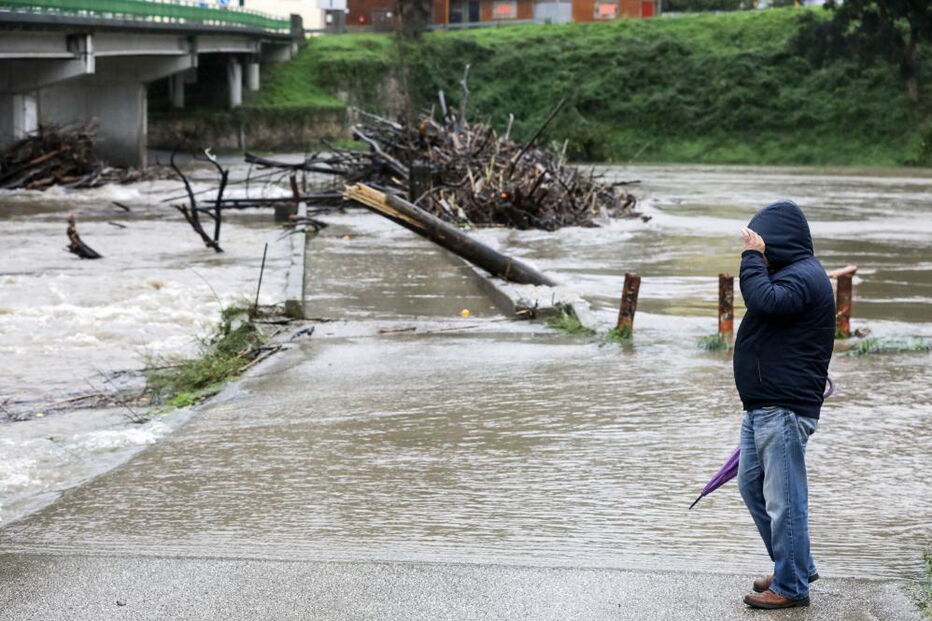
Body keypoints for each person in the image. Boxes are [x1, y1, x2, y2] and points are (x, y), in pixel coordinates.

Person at [733, 200, 835, 610]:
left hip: (784, 408)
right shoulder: (793, 273)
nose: (762, 250)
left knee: (784, 499)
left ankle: (792, 587)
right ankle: (795, 565)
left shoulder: (803, 277)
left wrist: (751, 258)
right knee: (752, 486)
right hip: (764, 404)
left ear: (776, 241)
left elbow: (765, 302)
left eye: (764, 242)